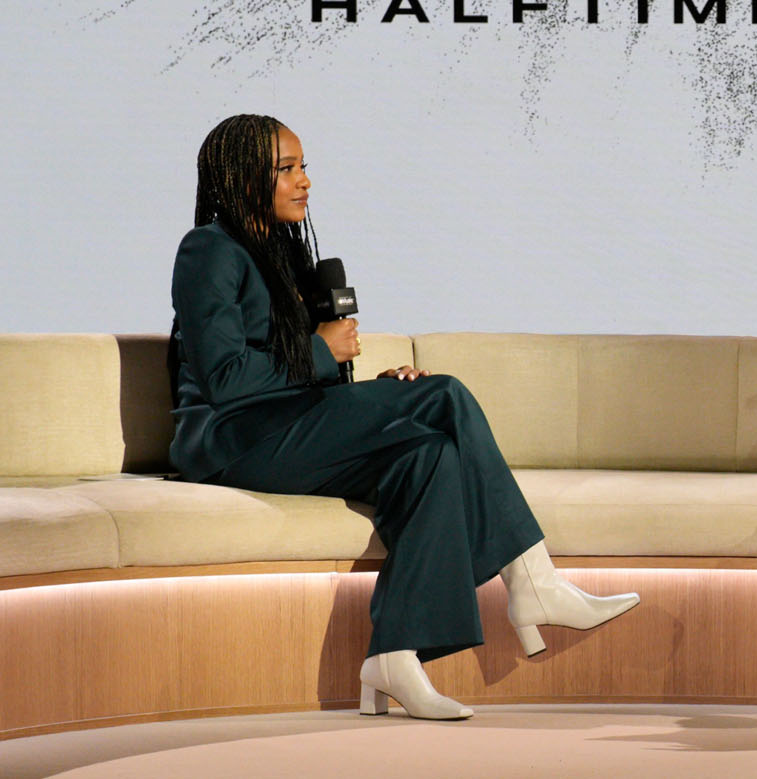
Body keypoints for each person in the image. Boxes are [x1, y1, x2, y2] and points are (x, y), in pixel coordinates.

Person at [168, 114, 639, 721]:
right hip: (233, 440)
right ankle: (533, 582)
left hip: (289, 424)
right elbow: (225, 378)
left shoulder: (284, 252)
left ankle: (393, 654)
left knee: (429, 456)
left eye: (304, 166)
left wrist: (372, 388)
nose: (304, 181)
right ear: (241, 178)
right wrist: (321, 351)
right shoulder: (209, 249)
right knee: (443, 395)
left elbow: (302, 371)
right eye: (286, 169)